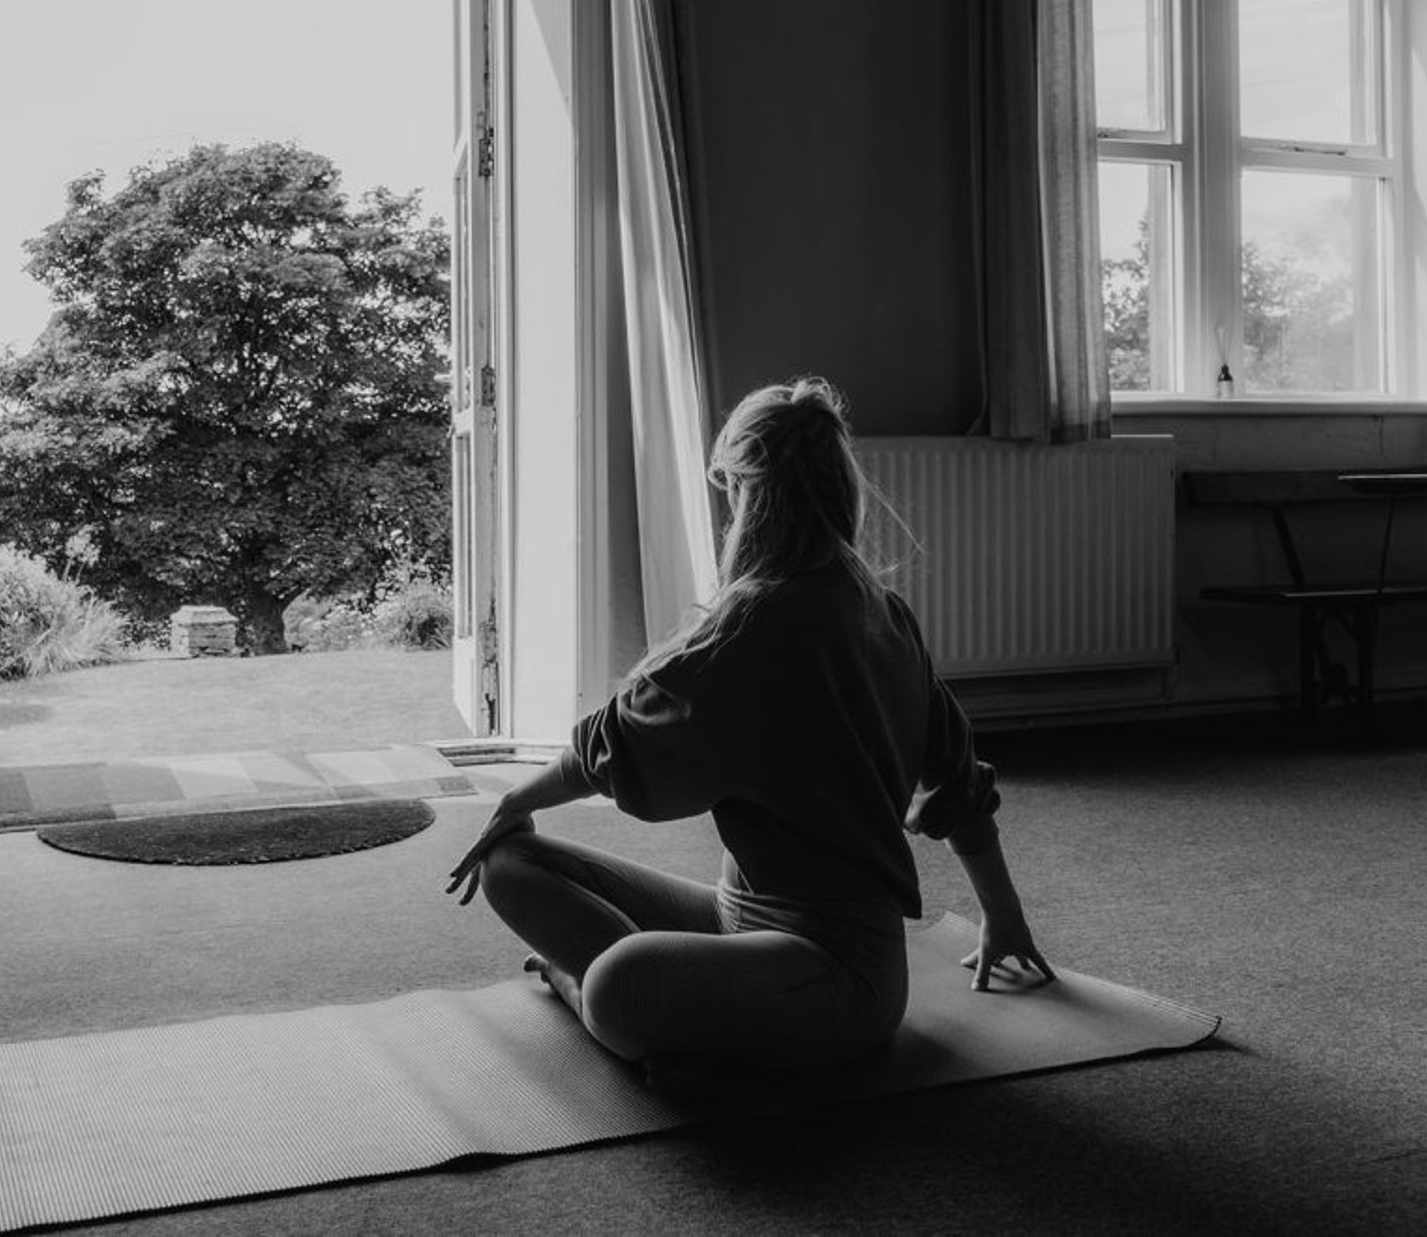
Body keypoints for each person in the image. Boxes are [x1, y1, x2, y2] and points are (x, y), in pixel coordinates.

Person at [445, 377, 1052, 1084]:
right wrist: (1002, 915)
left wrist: (519, 798)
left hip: (836, 974)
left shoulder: (754, 631)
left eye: (730, 491)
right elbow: (959, 777)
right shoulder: (880, 610)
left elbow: (614, 747)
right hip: (738, 917)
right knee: (513, 861)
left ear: (750, 495)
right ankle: (695, 1020)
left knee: (613, 985)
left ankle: (612, 1000)